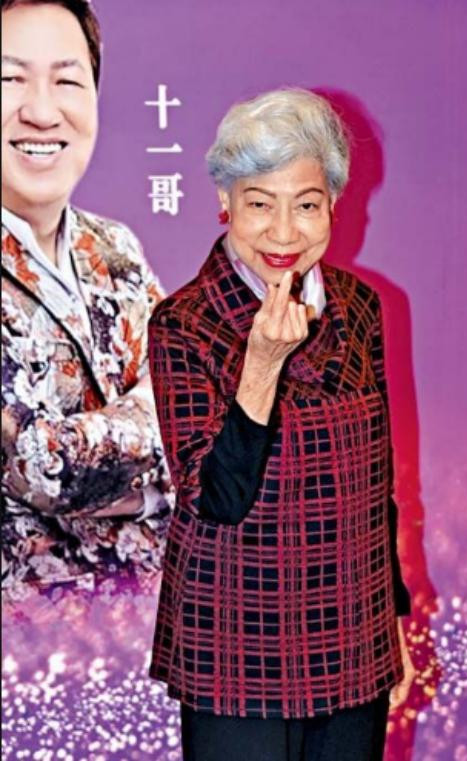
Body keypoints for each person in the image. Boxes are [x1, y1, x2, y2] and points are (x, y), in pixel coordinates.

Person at [148, 88, 415, 761]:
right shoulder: (185, 324)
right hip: (237, 645)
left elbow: (377, 488)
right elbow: (217, 496)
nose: (284, 233)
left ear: (333, 205)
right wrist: (261, 364)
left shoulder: (359, 306)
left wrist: (391, 627)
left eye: (306, 204)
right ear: (225, 202)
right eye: (260, 204)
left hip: (353, 638)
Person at [1, 0, 172, 600]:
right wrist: (162, 434)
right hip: (26, 639)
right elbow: (44, 466)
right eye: (9, 79)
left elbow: (211, 407)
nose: (42, 111)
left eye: (67, 81)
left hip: (149, 630)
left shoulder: (114, 248)